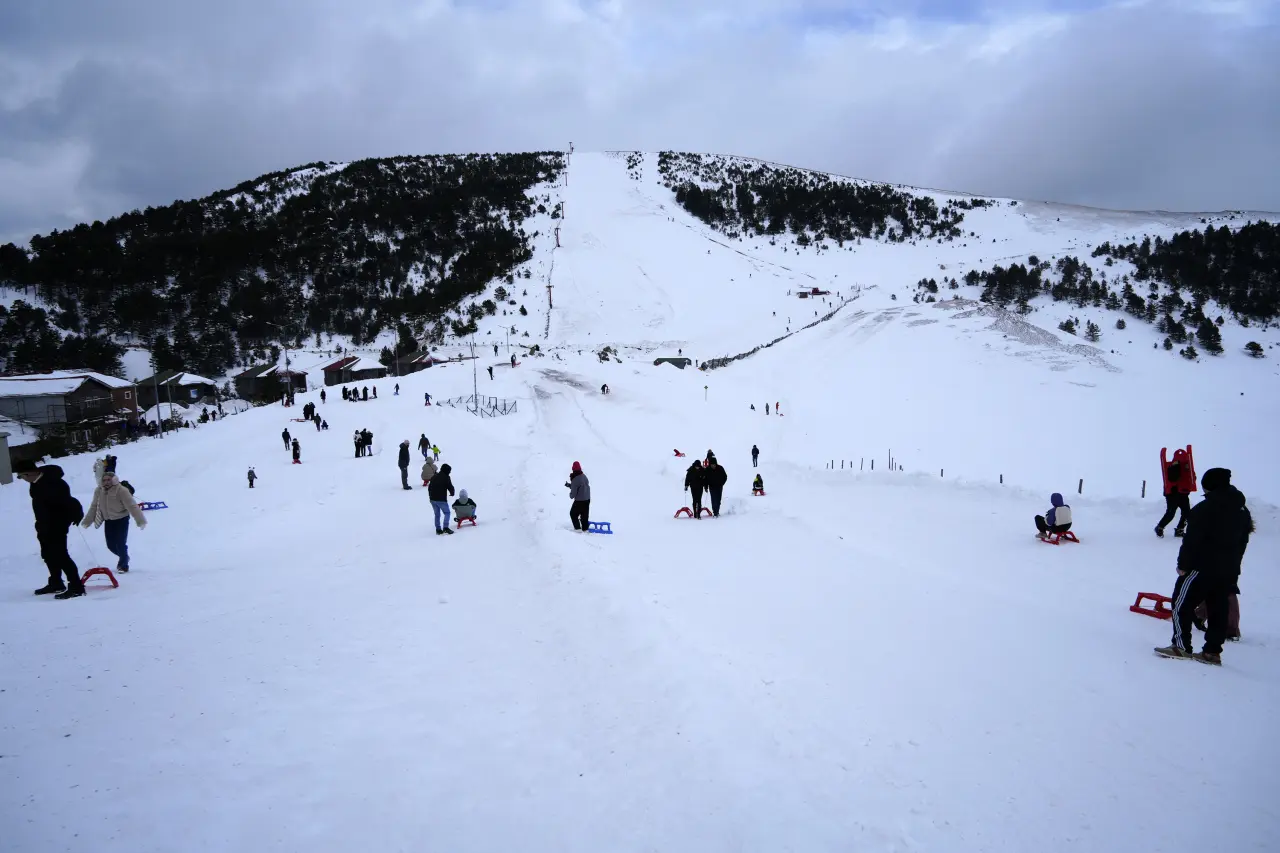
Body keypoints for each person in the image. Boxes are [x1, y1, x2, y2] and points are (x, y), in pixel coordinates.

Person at [1155, 468, 1253, 664]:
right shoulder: (1242, 511)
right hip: (1227, 569)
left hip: (1201, 568)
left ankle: (1181, 646)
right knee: (1218, 608)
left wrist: (1183, 565)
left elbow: (1192, 541)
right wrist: (1234, 569)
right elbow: (1243, 542)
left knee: (1181, 602)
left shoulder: (1204, 509)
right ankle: (1212, 652)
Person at [13, 460, 84, 598]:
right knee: (47, 555)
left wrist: (74, 515)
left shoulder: (55, 483)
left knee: (62, 556)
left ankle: (76, 587)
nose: (22, 479)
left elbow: (69, 502)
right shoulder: (35, 484)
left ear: (28, 474)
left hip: (57, 525)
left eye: (21, 476)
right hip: (43, 525)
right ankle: (56, 582)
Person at [81, 470, 147, 573]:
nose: (106, 482)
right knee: (111, 545)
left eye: (109, 480)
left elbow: (132, 506)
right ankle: (124, 556)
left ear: (114, 480)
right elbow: (94, 507)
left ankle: (123, 565)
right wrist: (87, 521)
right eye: (104, 480)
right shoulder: (99, 491)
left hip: (122, 519)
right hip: (109, 521)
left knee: (120, 543)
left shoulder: (121, 490)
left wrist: (141, 521)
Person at [1156, 449, 1193, 537]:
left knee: (1186, 513)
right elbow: (1172, 478)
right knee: (1171, 513)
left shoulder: (1188, 467)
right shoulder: (1172, 466)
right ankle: (1160, 527)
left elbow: (1192, 478)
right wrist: (1176, 466)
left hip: (1183, 493)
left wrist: (1188, 470)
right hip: (1173, 493)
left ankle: (1180, 530)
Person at [428, 463, 456, 535]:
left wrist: (430, 497)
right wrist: (452, 493)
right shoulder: (446, 477)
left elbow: (429, 488)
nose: (449, 472)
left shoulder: (434, 476)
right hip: (441, 499)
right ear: (446, 470)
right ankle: (445, 527)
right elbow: (450, 486)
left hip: (432, 499)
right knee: (447, 513)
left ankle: (438, 529)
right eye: (449, 471)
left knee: (437, 514)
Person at [566, 461, 591, 531]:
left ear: (573, 469)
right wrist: (571, 486)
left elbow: (572, 495)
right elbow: (581, 486)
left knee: (573, 514)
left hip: (579, 501)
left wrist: (570, 494)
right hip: (587, 499)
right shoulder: (584, 476)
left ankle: (578, 529)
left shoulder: (574, 479)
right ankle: (585, 528)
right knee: (584, 515)